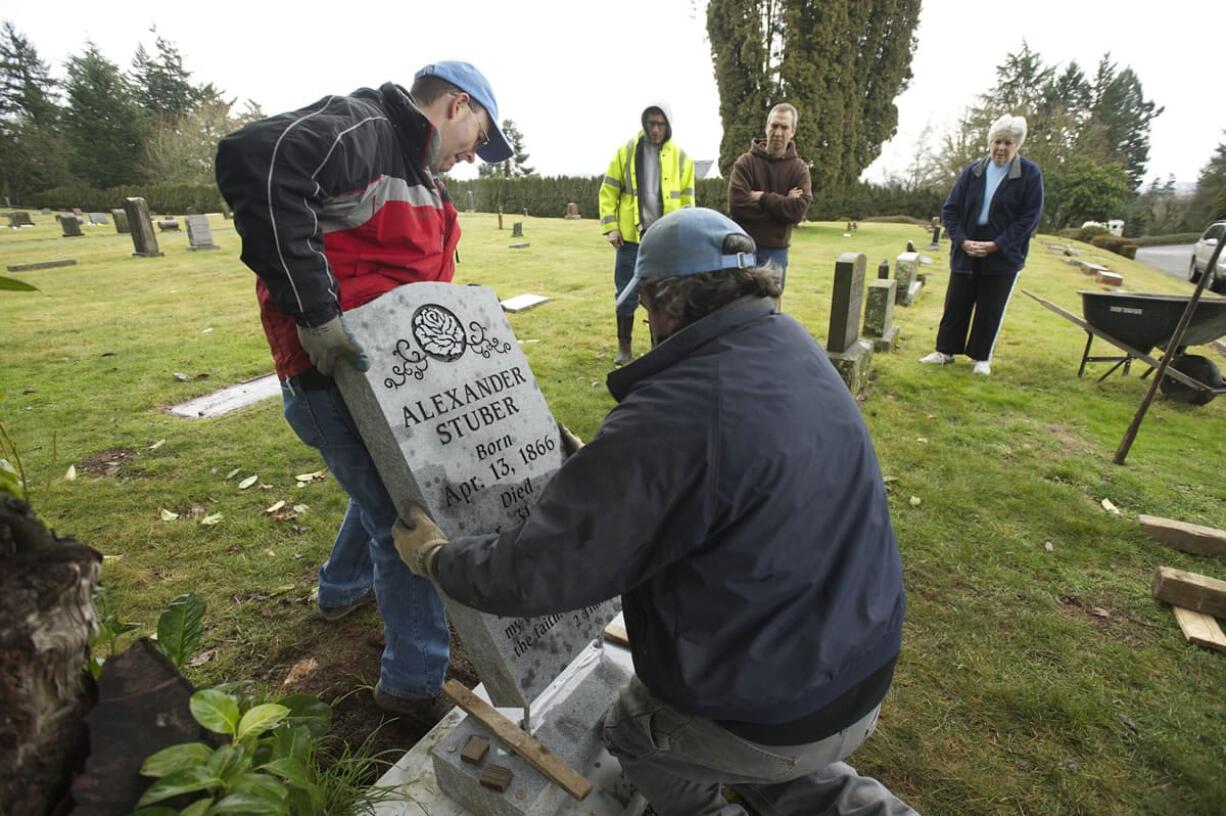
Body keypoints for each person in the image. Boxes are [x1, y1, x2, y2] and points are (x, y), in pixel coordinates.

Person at [392, 208, 915, 816]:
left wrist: (437, 558)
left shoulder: (673, 415)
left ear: (664, 300)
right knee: (775, 761)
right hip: (858, 669)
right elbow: (721, 474)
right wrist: (617, 471)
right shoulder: (786, 343)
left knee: (636, 732)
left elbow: (539, 570)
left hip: (776, 713)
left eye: (645, 308)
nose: (647, 323)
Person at [214, 61, 512, 719]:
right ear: (456, 104)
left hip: (391, 384)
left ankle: (339, 589)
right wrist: (314, 310)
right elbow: (254, 160)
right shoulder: (365, 127)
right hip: (331, 377)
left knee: (385, 484)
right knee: (405, 521)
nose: (473, 158)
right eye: (478, 137)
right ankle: (412, 685)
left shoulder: (422, 176)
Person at [920, 114, 1044, 377]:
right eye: (997, 141)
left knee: (990, 306)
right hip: (968, 244)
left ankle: (981, 357)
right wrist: (962, 240)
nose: (1001, 148)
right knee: (956, 302)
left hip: (1003, 252)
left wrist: (997, 244)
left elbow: (1029, 217)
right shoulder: (973, 171)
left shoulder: (1029, 174)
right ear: (990, 142)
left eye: (1008, 143)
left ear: (1017, 145)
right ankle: (945, 351)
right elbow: (950, 210)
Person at [599, 103, 696, 365]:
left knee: (666, 294)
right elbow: (608, 191)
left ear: (669, 127)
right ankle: (624, 347)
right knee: (625, 292)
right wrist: (610, 227)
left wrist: (685, 231)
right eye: (651, 123)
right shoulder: (626, 152)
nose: (655, 129)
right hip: (630, 238)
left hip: (666, 239)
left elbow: (688, 198)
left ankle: (659, 346)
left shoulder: (681, 157)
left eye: (660, 124)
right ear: (644, 124)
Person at [727, 102, 813, 290]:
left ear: (793, 131)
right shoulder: (746, 163)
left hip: (775, 254)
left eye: (784, 127)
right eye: (774, 126)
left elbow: (797, 211)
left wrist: (762, 198)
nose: (778, 132)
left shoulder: (799, 169)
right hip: (743, 251)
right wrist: (783, 204)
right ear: (767, 127)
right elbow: (738, 206)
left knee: (769, 312)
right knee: (737, 310)